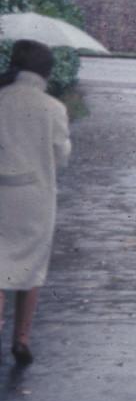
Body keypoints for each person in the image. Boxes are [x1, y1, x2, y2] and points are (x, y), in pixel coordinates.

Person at [0, 40, 71, 365]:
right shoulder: (53, 108)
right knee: (31, 269)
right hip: (35, 198)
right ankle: (22, 339)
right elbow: (61, 155)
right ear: (46, 71)